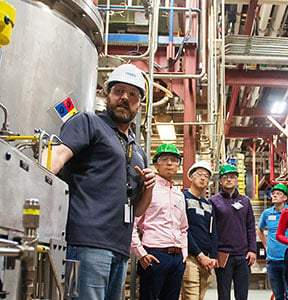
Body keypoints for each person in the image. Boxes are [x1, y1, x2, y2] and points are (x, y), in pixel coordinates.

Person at [47, 64, 156, 299]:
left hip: (120, 246)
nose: (125, 98)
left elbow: (137, 210)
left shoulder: (137, 149)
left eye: (133, 94)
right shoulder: (88, 123)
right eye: (118, 91)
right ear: (107, 95)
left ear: (140, 104)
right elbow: (56, 158)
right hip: (88, 240)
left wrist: (149, 188)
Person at [131, 143, 188, 300]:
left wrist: (184, 253)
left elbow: (184, 228)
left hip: (177, 258)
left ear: (178, 165)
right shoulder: (148, 188)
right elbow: (132, 223)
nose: (170, 163)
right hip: (154, 254)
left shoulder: (179, 195)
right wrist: (141, 254)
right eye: (165, 159)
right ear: (156, 164)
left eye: (174, 160)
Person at [210, 164, 257, 300]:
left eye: (232, 177)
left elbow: (250, 226)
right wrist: (213, 254)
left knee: (242, 295)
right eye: (225, 177)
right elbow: (211, 229)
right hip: (223, 255)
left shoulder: (245, 201)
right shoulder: (213, 201)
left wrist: (252, 250)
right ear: (220, 181)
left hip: (243, 256)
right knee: (224, 295)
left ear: (237, 180)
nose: (229, 180)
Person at [182, 160, 217, 300]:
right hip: (190, 257)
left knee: (199, 297)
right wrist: (199, 255)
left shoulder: (208, 205)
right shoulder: (182, 198)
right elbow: (183, 229)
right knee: (192, 297)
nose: (203, 178)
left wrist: (212, 257)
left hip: (207, 260)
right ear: (190, 176)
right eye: (199, 174)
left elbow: (213, 232)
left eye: (207, 176)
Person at [257, 183, 288, 300]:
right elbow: (260, 230)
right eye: (273, 194)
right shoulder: (267, 213)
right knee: (278, 294)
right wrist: (265, 245)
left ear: (285, 198)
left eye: (278, 194)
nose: (275, 196)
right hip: (272, 260)